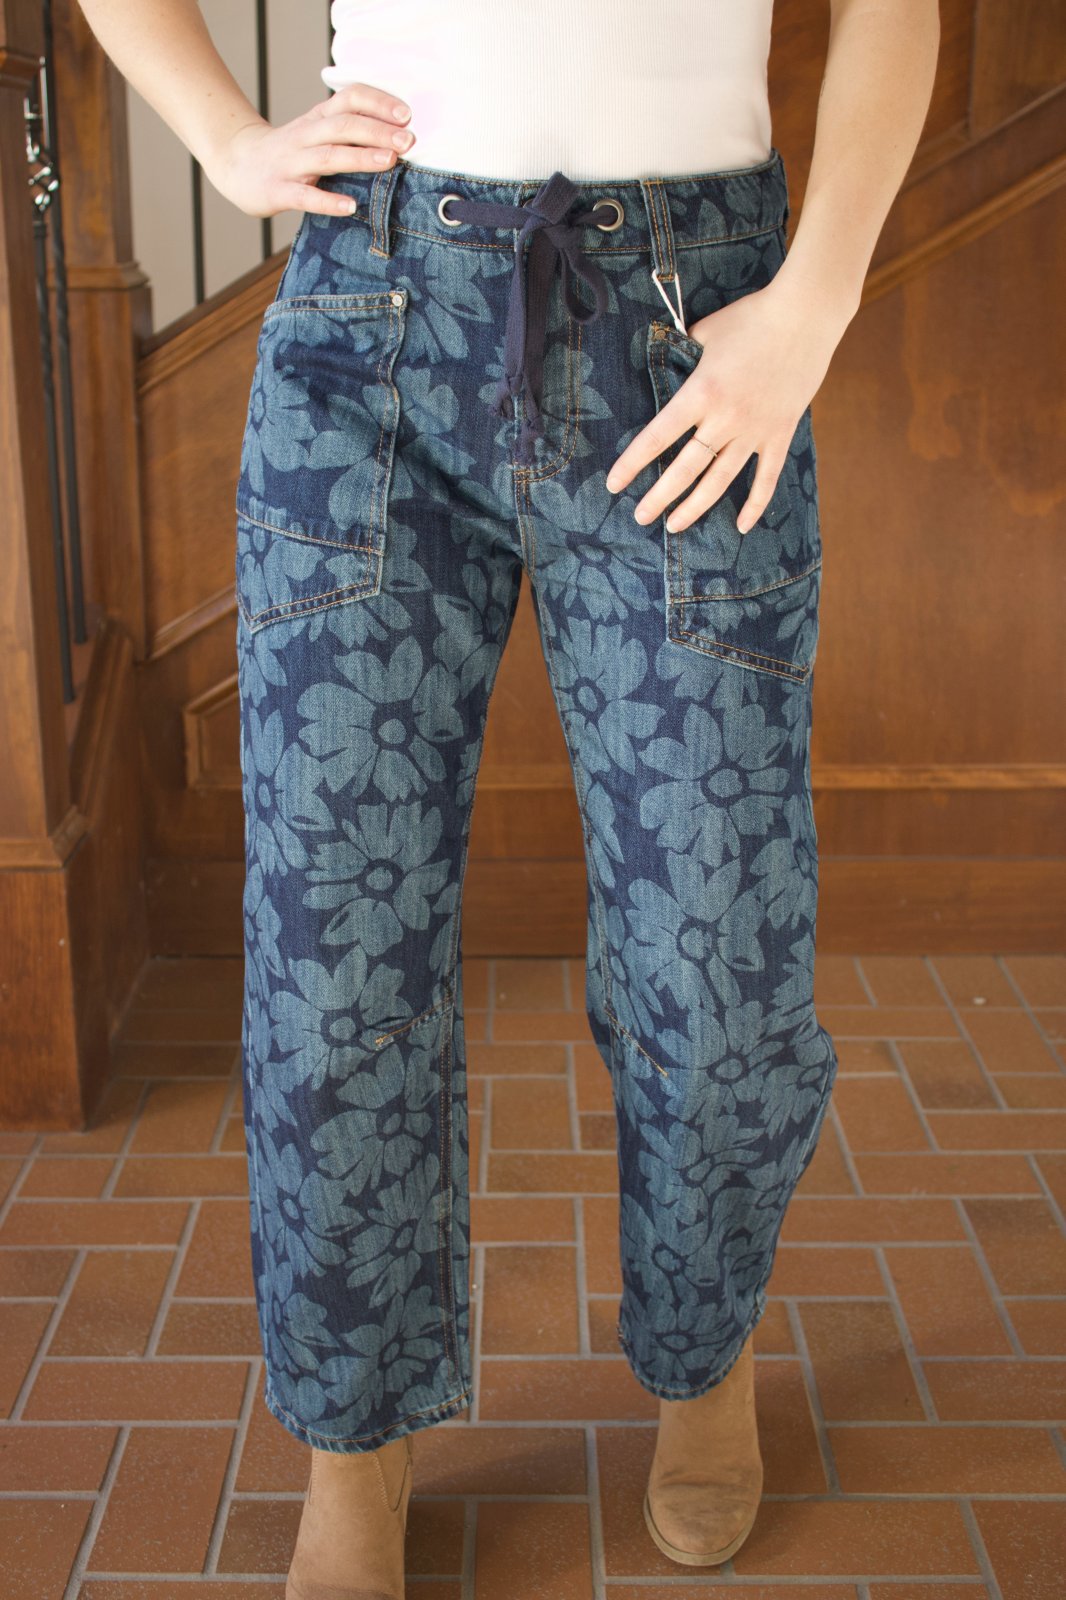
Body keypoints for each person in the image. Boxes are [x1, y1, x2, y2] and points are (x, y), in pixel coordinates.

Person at [76, 3, 941, 1596]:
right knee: (332, 967)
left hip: (692, 322)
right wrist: (225, 139)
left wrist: (813, 303)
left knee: (715, 957)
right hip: (373, 322)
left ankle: (705, 1360)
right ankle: (354, 1441)